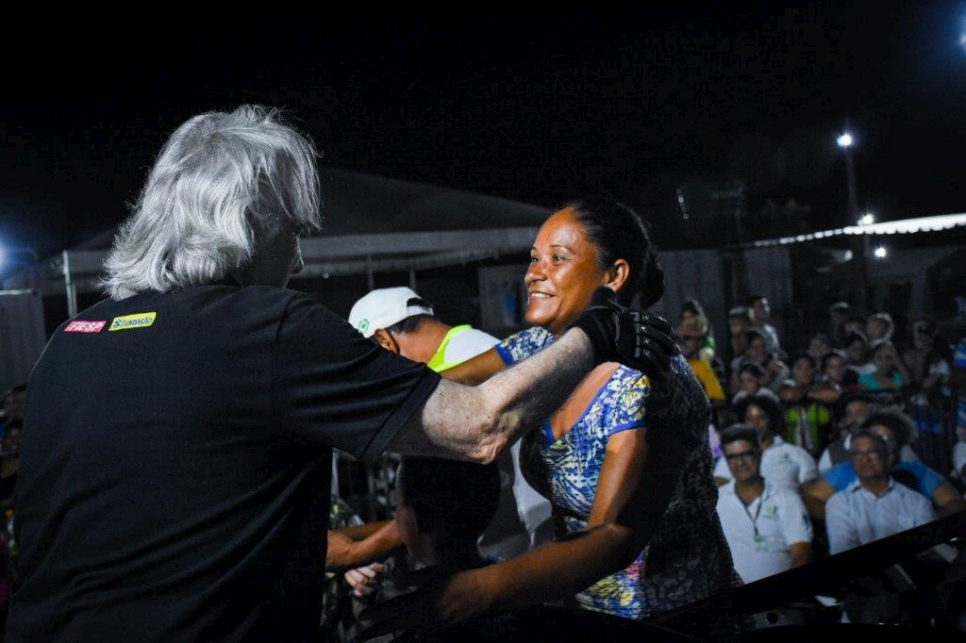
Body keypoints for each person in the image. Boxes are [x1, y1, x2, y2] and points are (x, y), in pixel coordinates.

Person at [4, 106, 675, 643]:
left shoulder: (69, 342)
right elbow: (480, 426)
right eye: (292, 230)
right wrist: (600, 331)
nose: (296, 259)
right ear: (247, 223)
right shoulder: (267, 327)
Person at [360, 197, 739, 638]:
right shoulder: (539, 346)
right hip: (580, 613)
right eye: (534, 258)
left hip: (669, 620)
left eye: (557, 259)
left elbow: (611, 538)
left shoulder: (649, 381)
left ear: (613, 275)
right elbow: (435, 391)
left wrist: (475, 590)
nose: (533, 273)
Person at [344, 286, 553, 562]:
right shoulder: (472, 350)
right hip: (517, 535)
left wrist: (361, 551)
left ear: (384, 341)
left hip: (522, 541)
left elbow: (443, 501)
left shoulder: (461, 367)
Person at [802, 408, 966, 522]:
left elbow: (955, 504)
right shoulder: (845, 470)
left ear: (899, 443)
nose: (878, 444)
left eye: (886, 439)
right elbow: (811, 498)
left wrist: (922, 521)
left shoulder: (917, 471)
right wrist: (841, 518)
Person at [715, 424, 813, 584]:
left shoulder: (787, 499)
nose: (740, 462)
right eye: (732, 457)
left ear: (759, 454)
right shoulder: (716, 501)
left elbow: (801, 554)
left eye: (746, 454)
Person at [824, 428, 935, 556]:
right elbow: (844, 554)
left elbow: (927, 552)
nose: (865, 460)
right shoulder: (839, 503)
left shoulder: (917, 502)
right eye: (857, 454)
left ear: (888, 457)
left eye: (872, 452)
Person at [713, 393, 818, 492]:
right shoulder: (734, 455)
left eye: (761, 417)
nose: (755, 424)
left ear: (771, 421)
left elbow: (812, 496)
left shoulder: (797, 454)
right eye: (750, 418)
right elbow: (719, 486)